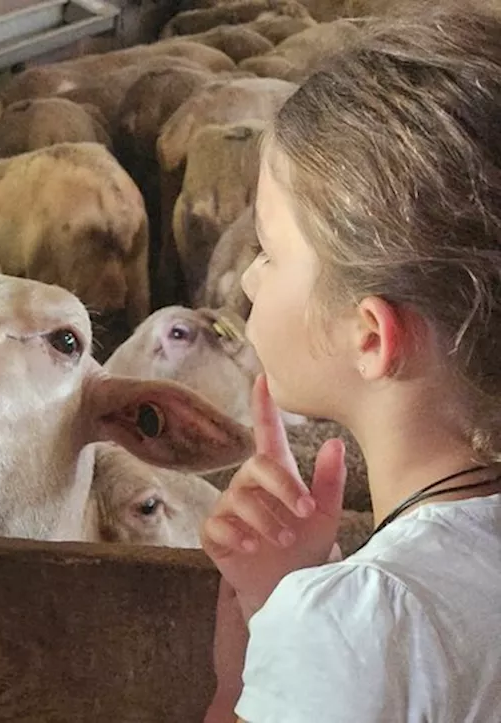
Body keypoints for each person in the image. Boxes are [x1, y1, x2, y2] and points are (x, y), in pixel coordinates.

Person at [198, 4, 501, 722]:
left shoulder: (360, 625)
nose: (246, 280)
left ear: (370, 336)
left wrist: (245, 672)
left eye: (269, 252)